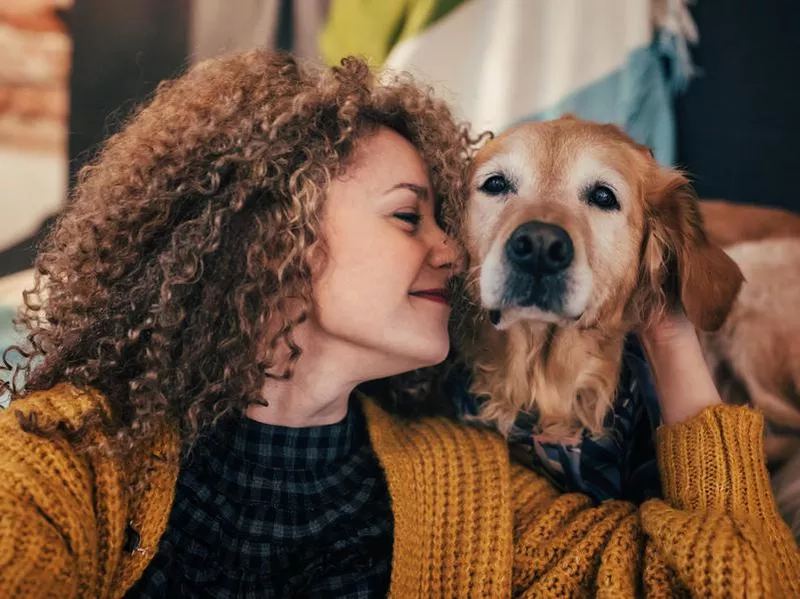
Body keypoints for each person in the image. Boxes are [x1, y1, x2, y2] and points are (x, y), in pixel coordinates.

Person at [0, 50, 797, 598]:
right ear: (275, 239)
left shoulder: (475, 492)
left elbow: (740, 581)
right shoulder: (72, 456)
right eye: (411, 216)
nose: (455, 249)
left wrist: (668, 327)